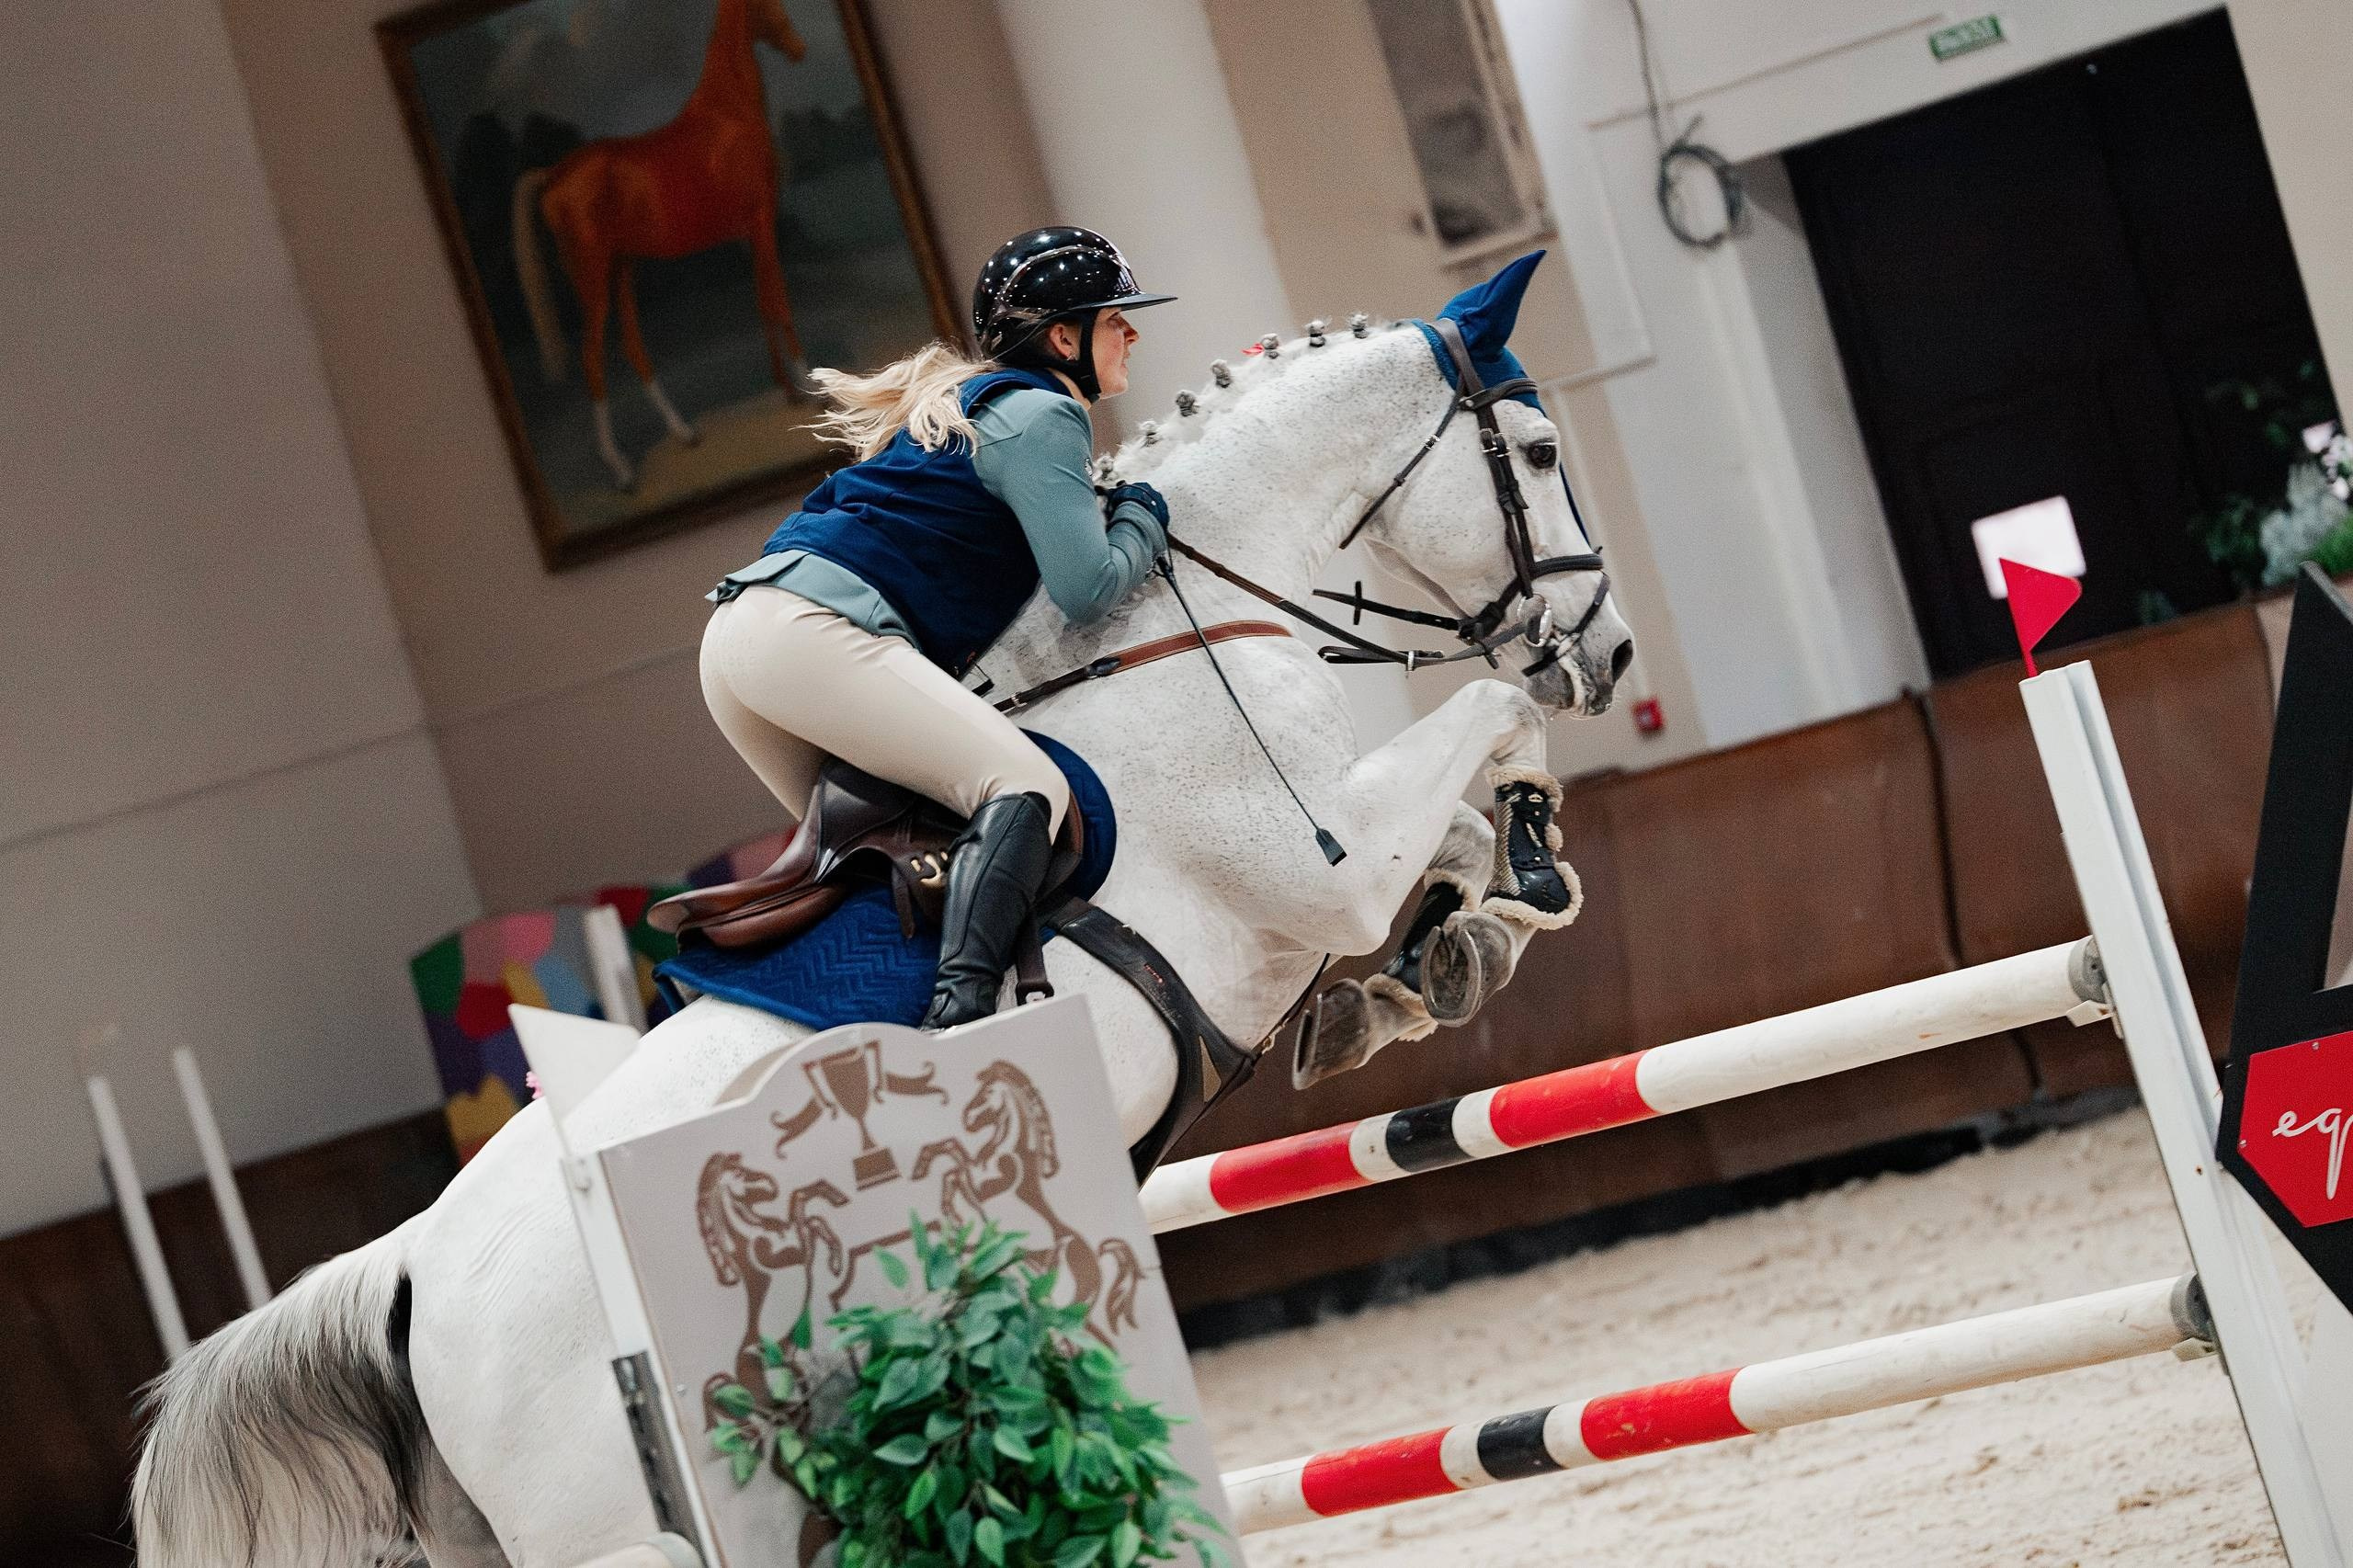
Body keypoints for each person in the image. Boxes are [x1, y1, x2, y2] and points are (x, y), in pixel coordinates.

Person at [699, 227, 1176, 1029]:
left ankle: (854, 1015)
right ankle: (964, 1026)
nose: (1132, 331)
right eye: (1113, 318)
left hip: (741, 642)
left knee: (900, 850)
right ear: (1063, 337)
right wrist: (1141, 518)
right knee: (1028, 788)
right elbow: (1089, 588)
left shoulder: (971, 411)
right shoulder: (1045, 415)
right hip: (811, 636)